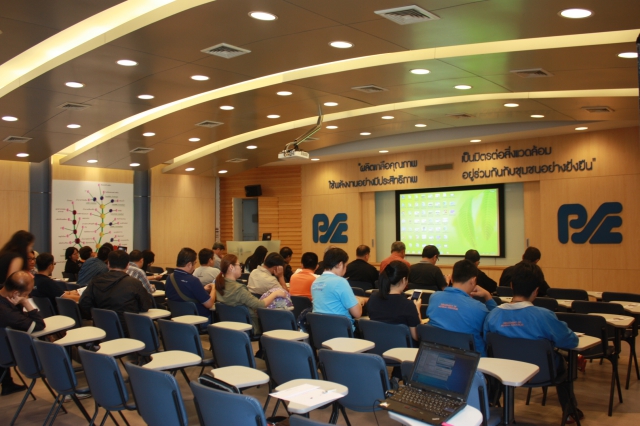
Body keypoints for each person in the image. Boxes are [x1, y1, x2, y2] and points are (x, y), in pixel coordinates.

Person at [484, 262, 580, 423]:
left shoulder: (492, 316)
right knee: (563, 362)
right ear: (536, 290)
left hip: (504, 372)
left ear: (511, 285)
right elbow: (570, 341)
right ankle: (570, 412)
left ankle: (490, 406)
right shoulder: (544, 316)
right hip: (541, 373)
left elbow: (487, 343)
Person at [426, 259, 497, 355]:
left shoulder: (434, 298)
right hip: (472, 361)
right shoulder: (478, 308)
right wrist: (487, 296)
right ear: (473, 280)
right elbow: (496, 323)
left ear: (451, 278)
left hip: (437, 355)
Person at [79, 250, 153, 335]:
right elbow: (146, 305)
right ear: (127, 266)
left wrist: (96, 315)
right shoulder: (134, 283)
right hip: (128, 330)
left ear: (108, 264)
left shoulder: (95, 281)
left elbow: (84, 303)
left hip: (100, 330)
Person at [215, 254, 287, 334]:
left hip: (230, 325)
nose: (241, 268)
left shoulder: (219, 285)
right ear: (231, 267)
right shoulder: (239, 289)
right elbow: (260, 305)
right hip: (250, 326)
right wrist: (275, 293)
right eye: (239, 265)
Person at [0, 271, 45, 396]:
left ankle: (7, 383)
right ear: (15, 293)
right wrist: (25, 302)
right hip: (8, 353)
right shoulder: (7, 312)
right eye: (26, 294)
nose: (27, 296)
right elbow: (38, 325)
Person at [311, 248, 366, 328]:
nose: (346, 269)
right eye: (346, 265)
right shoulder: (340, 282)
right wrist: (359, 301)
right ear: (340, 264)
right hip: (341, 331)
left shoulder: (315, 282)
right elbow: (357, 313)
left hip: (320, 330)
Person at [367, 261, 422, 341]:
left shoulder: (373, 298)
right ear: (404, 280)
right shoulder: (408, 305)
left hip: (377, 345)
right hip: (401, 348)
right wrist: (417, 308)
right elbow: (417, 336)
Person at [165, 247, 216, 320]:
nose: (194, 267)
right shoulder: (193, 281)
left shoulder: (169, 278)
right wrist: (214, 288)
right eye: (194, 263)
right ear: (189, 264)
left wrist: (202, 289)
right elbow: (209, 304)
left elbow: (185, 292)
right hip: (198, 319)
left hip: (177, 318)